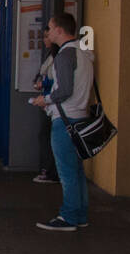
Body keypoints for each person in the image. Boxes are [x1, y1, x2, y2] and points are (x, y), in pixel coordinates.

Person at [31, 14, 93, 231]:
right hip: (80, 117)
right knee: (76, 170)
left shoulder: (64, 56)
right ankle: (80, 214)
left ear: (59, 29)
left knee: (66, 172)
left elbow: (64, 90)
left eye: (50, 27)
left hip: (65, 119)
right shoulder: (83, 53)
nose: (48, 32)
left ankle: (68, 217)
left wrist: (44, 99)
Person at [32, 43, 60, 184]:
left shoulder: (61, 56)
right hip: (50, 105)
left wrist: (47, 97)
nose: (44, 40)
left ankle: (52, 172)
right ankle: (50, 170)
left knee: (48, 137)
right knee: (46, 136)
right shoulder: (51, 55)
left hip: (56, 108)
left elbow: (63, 88)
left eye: (47, 35)